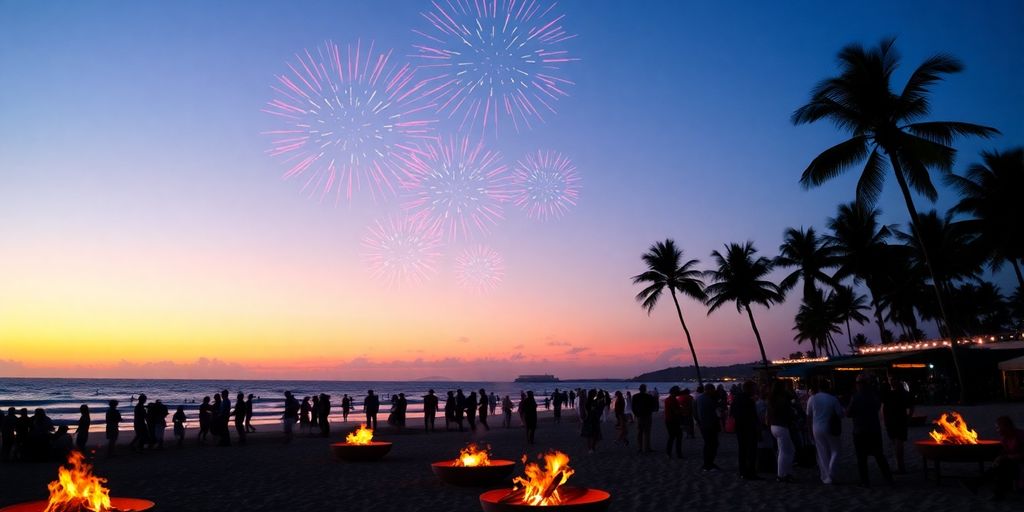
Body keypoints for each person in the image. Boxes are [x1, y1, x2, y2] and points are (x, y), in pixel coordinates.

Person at [846, 375, 893, 487]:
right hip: (874, 429)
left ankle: (865, 481)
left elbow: (848, 413)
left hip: (860, 431)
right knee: (879, 455)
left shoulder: (856, 397)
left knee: (861, 458)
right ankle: (888, 478)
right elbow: (877, 407)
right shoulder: (874, 396)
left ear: (859, 384)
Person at [965, 416, 1024, 501]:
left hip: (1019, 461)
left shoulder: (1020, 435)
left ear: (1006, 427)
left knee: (1004, 465)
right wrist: (1000, 457)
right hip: (1011, 461)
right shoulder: (1005, 438)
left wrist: (1007, 457)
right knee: (1001, 465)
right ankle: (979, 484)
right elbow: (1005, 452)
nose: (997, 430)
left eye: (998, 427)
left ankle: (977, 483)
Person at [806, 380, 843, 484]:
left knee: (822, 452)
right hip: (830, 427)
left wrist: (809, 430)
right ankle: (831, 472)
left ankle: (826, 476)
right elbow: (840, 414)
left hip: (816, 428)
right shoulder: (833, 399)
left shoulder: (812, 399)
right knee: (835, 450)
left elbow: (808, 416)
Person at [882, 378, 913, 473]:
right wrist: (908, 418)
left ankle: (899, 466)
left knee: (895, 443)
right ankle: (900, 465)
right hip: (900, 420)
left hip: (891, 420)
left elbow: (883, 408)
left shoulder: (888, 394)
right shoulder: (904, 394)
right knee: (899, 443)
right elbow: (911, 407)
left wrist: (884, 420)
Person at [767, 380, 796, 482]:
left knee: (785, 450)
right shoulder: (782, 399)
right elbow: (789, 410)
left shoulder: (772, 398)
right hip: (781, 426)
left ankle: (786, 472)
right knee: (786, 451)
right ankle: (782, 474)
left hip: (774, 426)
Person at [731, 380, 760, 480]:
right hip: (749, 428)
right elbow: (752, 416)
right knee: (751, 451)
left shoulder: (737, 398)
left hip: (739, 427)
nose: (756, 390)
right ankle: (750, 472)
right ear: (750, 388)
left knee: (742, 450)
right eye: (755, 388)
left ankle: (743, 472)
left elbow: (733, 412)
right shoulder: (749, 400)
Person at [631, 384, 656, 454]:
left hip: (639, 416)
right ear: (645, 389)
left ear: (639, 389)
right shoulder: (649, 396)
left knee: (639, 432)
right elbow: (653, 406)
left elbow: (633, 407)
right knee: (647, 432)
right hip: (647, 416)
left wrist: (636, 414)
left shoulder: (635, 396)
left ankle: (640, 448)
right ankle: (647, 448)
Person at [663, 386, 683, 459]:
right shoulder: (673, 400)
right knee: (678, 437)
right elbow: (676, 411)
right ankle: (678, 453)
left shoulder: (668, 399)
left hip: (668, 420)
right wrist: (681, 410)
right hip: (673, 420)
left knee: (672, 437)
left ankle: (669, 453)